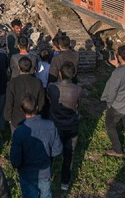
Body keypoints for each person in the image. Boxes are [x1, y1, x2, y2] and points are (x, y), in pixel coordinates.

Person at [10, 93, 62, 198]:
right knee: (46, 194)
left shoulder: (19, 132)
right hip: (44, 172)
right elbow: (57, 150)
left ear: (21, 109)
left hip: (27, 174)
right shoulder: (50, 125)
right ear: (37, 107)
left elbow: (15, 160)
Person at [100, 45, 125, 166]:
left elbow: (112, 91)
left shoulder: (117, 74)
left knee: (110, 125)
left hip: (118, 105)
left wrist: (109, 103)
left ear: (118, 56)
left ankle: (117, 149)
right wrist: (117, 65)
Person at [48, 62, 83, 191]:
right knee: (69, 155)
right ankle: (65, 182)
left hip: (54, 124)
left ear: (60, 74)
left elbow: (50, 101)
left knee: (50, 153)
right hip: (71, 125)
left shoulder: (52, 87)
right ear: (73, 74)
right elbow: (79, 105)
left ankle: (47, 176)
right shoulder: (78, 89)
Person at [5, 57, 46, 132]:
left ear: (18, 67)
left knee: (17, 141)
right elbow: (41, 101)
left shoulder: (13, 82)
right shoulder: (37, 82)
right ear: (31, 68)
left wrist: (8, 117)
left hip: (16, 119)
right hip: (33, 117)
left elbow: (9, 102)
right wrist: (38, 113)